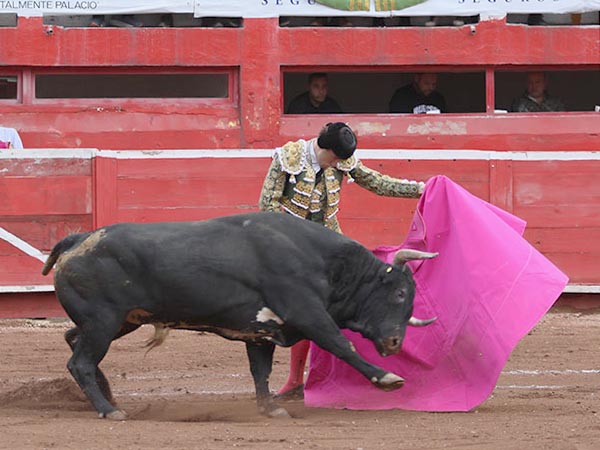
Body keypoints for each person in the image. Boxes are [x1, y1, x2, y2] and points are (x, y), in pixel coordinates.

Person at [258, 122, 425, 399]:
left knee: (352, 301)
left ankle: (331, 376)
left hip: (330, 246)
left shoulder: (340, 160)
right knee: (294, 312)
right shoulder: (288, 159)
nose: (337, 163)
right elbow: (268, 206)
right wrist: (293, 242)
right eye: (334, 157)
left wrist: (418, 189)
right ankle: (294, 379)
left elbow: (375, 182)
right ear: (322, 147)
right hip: (289, 247)